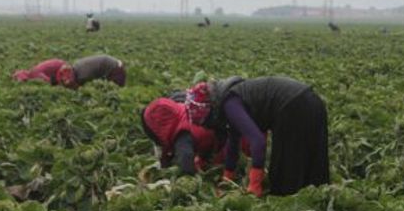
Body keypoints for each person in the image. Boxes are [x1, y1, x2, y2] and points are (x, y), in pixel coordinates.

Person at [185, 76, 329, 197]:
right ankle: (319, 198)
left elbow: (258, 141)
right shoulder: (232, 99)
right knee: (313, 159)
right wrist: (227, 179)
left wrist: (255, 183)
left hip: (293, 106)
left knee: (286, 172)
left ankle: (293, 207)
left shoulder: (230, 104)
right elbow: (233, 144)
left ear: (209, 109)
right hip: (311, 100)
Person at [141, 92, 226, 175]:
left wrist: (189, 174)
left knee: (219, 163)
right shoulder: (183, 109)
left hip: (222, 141)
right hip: (221, 124)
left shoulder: (182, 135)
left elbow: (186, 157)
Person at [56, 54, 125, 89]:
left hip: (114, 68)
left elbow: (83, 88)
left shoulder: (83, 76)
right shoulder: (76, 66)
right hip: (109, 64)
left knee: (115, 90)